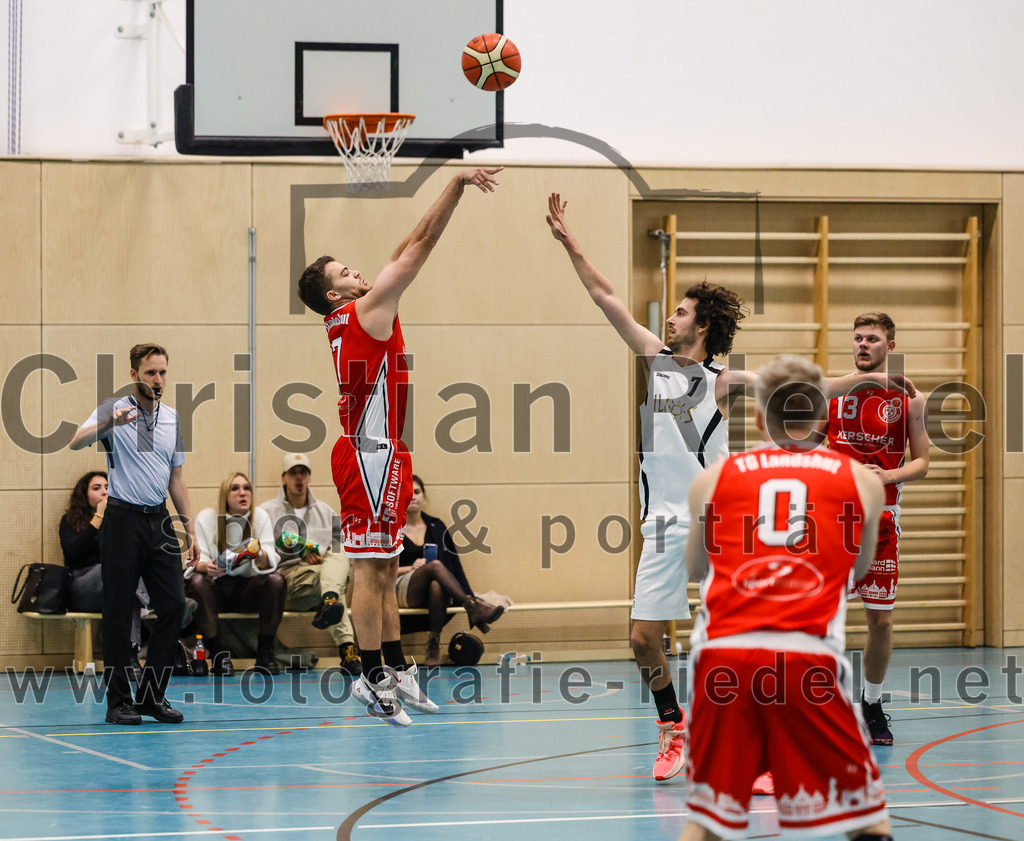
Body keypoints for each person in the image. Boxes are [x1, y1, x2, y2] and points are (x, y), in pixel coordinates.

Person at [546, 193, 913, 783]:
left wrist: (872, 376)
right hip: (662, 523)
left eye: (682, 312)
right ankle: (674, 728)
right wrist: (570, 242)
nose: (671, 317)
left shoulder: (723, 381)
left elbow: (807, 387)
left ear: (704, 325)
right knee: (643, 639)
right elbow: (605, 296)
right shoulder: (654, 358)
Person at [297, 165, 502, 725]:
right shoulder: (365, 310)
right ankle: (367, 677)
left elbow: (406, 242)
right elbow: (422, 246)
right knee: (368, 571)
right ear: (333, 291)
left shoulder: (359, 307)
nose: (357, 269)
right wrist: (456, 186)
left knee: (385, 567)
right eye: (344, 270)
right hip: (365, 453)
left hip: (385, 451)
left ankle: (393, 665)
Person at [679, 354, 891, 841]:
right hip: (807, 658)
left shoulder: (713, 479)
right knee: (867, 824)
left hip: (721, 659)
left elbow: (695, 570)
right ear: (822, 417)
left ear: (757, 417)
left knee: (707, 824)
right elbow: (854, 572)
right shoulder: (860, 480)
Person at [69, 342, 197, 726]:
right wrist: (112, 423)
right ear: (134, 375)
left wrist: (189, 527)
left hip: (158, 520)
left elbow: (176, 477)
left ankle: (151, 697)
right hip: (122, 519)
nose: (158, 380)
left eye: (162, 373)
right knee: (120, 610)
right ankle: (118, 701)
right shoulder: (114, 407)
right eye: (150, 373)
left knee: (174, 605)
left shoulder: (173, 417)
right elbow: (76, 440)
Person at [827, 312, 929, 746]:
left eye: (872, 338)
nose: (863, 344)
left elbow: (922, 462)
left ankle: (871, 702)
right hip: (833, 523)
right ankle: (822, 707)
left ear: (890, 345)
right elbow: (810, 448)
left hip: (883, 523)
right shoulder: (831, 393)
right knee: (825, 621)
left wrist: (889, 476)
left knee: (881, 624)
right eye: (857, 338)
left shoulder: (910, 400)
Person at [258, 453, 363, 676]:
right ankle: (347, 651)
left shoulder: (326, 512)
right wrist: (295, 552)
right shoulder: (266, 512)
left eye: (303, 473)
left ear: (309, 477)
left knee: (341, 551)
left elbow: (339, 555)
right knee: (336, 582)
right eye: (293, 473)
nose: (299, 478)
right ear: (283, 478)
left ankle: (329, 600)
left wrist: (320, 557)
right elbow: (260, 555)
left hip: (320, 578)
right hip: (286, 581)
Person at [397, 475, 504, 666]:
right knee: (436, 566)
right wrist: (410, 568)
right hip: (400, 587)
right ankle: (474, 607)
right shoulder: (391, 528)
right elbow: (379, 570)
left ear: (424, 497)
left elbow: (455, 565)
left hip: (431, 591)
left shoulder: (436, 526)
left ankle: (433, 643)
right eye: (406, 492)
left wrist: (468, 592)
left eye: (417, 492)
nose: (412, 496)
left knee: (437, 584)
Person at [187, 472, 286, 675]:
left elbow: (273, 560)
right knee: (197, 582)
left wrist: (260, 554)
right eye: (235, 488)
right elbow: (197, 562)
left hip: (248, 590)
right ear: (225, 495)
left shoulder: (260, 517)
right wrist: (207, 567)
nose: (242, 493)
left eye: (246, 488)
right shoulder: (207, 518)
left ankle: (265, 650)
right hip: (217, 590)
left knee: (276, 580)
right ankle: (217, 652)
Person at [59, 471, 144, 668]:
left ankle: (129, 658)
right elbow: (73, 553)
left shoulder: (122, 523)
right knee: (117, 569)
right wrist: (98, 517)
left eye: (108, 487)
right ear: (84, 495)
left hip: (117, 587)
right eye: (97, 488)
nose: (104, 492)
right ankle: (155, 602)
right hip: (83, 586)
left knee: (128, 588)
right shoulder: (70, 520)